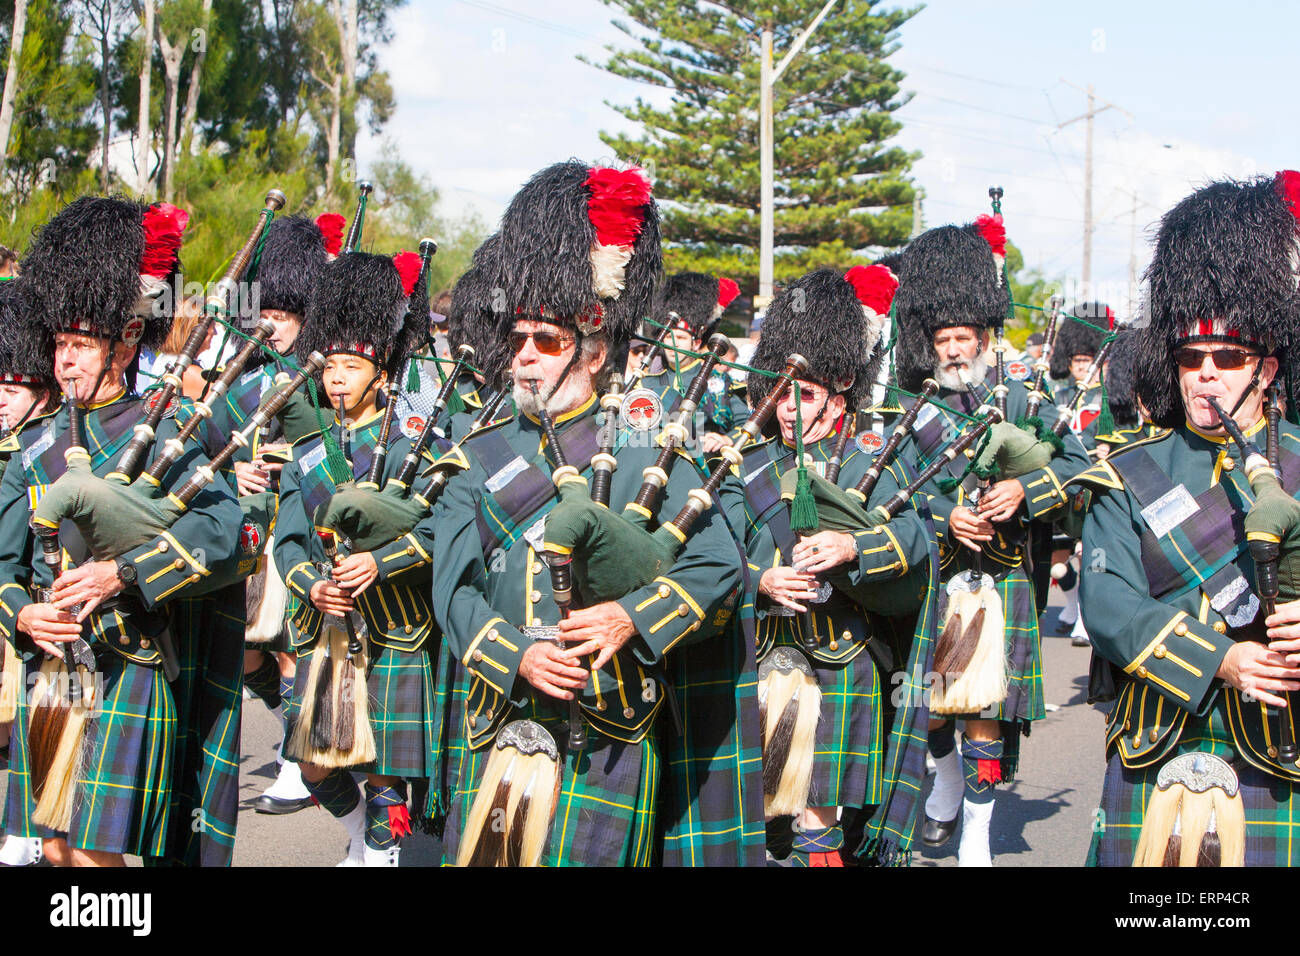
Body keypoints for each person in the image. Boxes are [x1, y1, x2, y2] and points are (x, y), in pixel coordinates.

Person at [432, 161, 746, 866]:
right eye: (516, 342)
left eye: (545, 342)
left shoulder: (647, 446)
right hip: (501, 712)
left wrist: (631, 617)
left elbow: (720, 565)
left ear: (595, 349)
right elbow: (451, 589)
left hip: (611, 723)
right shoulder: (476, 453)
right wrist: (517, 655)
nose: (523, 360)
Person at [0, 196, 241, 867]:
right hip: (57, 668)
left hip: (134, 659)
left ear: (124, 342)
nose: (64, 363)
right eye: (58, 346)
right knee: (54, 850)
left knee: (94, 856)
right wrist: (24, 615)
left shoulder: (171, 431)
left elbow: (227, 531)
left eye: (79, 346)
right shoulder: (37, 447)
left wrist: (124, 572)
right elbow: (2, 562)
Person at [1069, 171, 1300, 866]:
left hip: (1280, 744)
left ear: (1268, 365)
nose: (1205, 374)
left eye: (1227, 357)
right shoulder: (1127, 469)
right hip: (1157, 738)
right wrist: (1221, 658)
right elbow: (1107, 605)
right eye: (1189, 357)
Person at [892, 215, 1090, 866]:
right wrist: (944, 511)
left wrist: (1025, 493)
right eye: (944, 337)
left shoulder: (1024, 398)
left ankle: (976, 832)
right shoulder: (907, 403)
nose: (953, 349)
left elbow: (1080, 466)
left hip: (1001, 574)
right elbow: (886, 487)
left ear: (983, 338)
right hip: (930, 575)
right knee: (933, 713)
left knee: (983, 711)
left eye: (965, 337)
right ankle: (943, 785)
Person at [739, 266, 936, 865]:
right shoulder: (743, 463)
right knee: (765, 816)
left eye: (804, 393)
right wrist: (761, 580)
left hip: (846, 659)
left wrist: (854, 548)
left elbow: (915, 536)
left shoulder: (866, 462)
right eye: (779, 392)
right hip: (764, 657)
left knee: (819, 817)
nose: (789, 409)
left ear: (841, 387)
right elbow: (712, 556)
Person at [275, 248, 435, 867]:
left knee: (384, 767)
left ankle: (382, 850)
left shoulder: (414, 441)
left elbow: (444, 527)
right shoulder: (307, 450)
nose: (336, 378)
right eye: (330, 365)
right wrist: (311, 586)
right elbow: (288, 542)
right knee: (314, 762)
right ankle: (356, 835)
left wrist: (380, 562)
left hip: (396, 626)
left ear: (380, 369)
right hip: (327, 631)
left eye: (351, 365)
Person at [207, 214, 333, 816]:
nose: (271, 324)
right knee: (249, 651)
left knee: (292, 651)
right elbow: (204, 444)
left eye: (285, 313)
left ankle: (291, 760)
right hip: (252, 532)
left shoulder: (331, 375)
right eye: (267, 312)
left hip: (308, 530)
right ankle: (295, 738)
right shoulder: (253, 378)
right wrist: (234, 471)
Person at [0, 279, 58, 867]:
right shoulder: (17, 452)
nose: (1, 398)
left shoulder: (47, 446)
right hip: (29, 615)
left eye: (14, 388)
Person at [633, 272, 746, 452]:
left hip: (703, 467)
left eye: (680, 337)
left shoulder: (716, 380)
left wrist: (726, 439)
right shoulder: (646, 382)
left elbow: (747, 426)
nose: (673, 343)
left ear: (696, 343)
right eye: (668, 337)